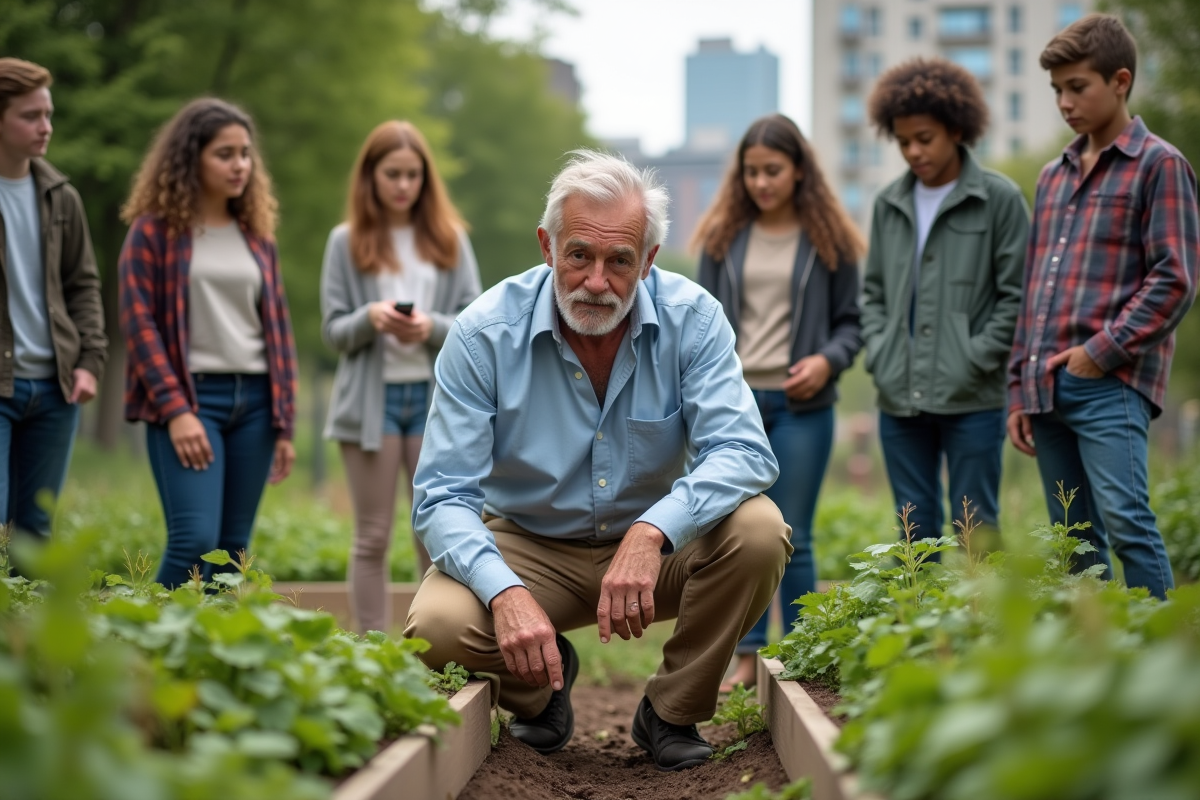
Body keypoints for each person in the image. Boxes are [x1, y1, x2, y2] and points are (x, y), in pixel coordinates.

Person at [404, 150, 789, 771]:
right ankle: (542, 688)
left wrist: (654, 529)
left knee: (760, 531)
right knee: (437, 626)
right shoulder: (481, 335)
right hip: (530, 545)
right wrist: (504, 593)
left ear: (649, 261)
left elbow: (743, 449)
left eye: (620, 261)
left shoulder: (693, 319)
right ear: (547, 246)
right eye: (579, 254)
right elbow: (443, 495)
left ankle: (671, 710)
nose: (596, 281)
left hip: (654, 550)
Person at [1007, 14, 1198, 599]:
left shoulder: (1159, 164)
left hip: (1109, 382)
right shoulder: (1052, 176)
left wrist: (1096, 355)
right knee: (1074, 541)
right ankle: (1093, 669)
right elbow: (1034, 285)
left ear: (1120, 80)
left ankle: (1165, 668)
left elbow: (1175, 279)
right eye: (1057, 90)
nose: (1065, 101)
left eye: (1077, 87)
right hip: (1046, 389)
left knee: (1128, 526)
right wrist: (1020, 385)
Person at [694, 114, 863, 691]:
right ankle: (743, 655)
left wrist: (826, 361)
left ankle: (798, 655)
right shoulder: (721, 239)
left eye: (772, 171)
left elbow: (851, 324)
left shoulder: (829, 241)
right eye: (751, 172)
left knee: (795, 533)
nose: (761, 182)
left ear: (799, 172)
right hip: (734, 407)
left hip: (803, 406)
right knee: (736, 531)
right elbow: (699, 324)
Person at [118, 98, 297, 588]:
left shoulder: (256, 235)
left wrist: (284, 422)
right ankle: (144, 647)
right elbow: (140, 327)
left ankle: (213, 658)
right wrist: (176, 411)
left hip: (257, 404)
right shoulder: (153, 232)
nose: (240, 164)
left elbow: (277, 329)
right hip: (192, 400)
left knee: (233, 549)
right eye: (225, 153)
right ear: (190, 158)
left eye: (245, 153)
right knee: (194, 539)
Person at [320, 121, 481, 634]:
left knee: (430, 533)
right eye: (392, 174)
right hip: (371, 406)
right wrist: (370, 318)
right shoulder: (345, 242)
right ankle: (370, 651)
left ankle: (430, 646)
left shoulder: (450, 239)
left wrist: (428, 326)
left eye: (413, 175)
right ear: (370, 176)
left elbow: (475, 324)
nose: (403, 185)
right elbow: (332, 330)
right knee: (371, 536)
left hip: (434, 405)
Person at [861, 57, 1028, 551]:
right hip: (898, 394)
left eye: (924, 138)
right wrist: (882, 354)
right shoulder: (888, 203)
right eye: (903, 141)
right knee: (913, 529)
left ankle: (987, 627)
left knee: (976, 528)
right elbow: (872, 293)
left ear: (957, 129)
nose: (913, 151)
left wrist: (977, 357)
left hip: (973, 396)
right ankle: (922, 627)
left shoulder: (999, 199)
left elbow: (1016, 296)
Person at [0, 58, 106, 543]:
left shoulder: (61, 195)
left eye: (48, 114)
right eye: (30, 115)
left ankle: (28, 622)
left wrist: (89, 361)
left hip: (56, 389)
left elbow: (83, 285)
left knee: (35, 532)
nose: (46, 127)